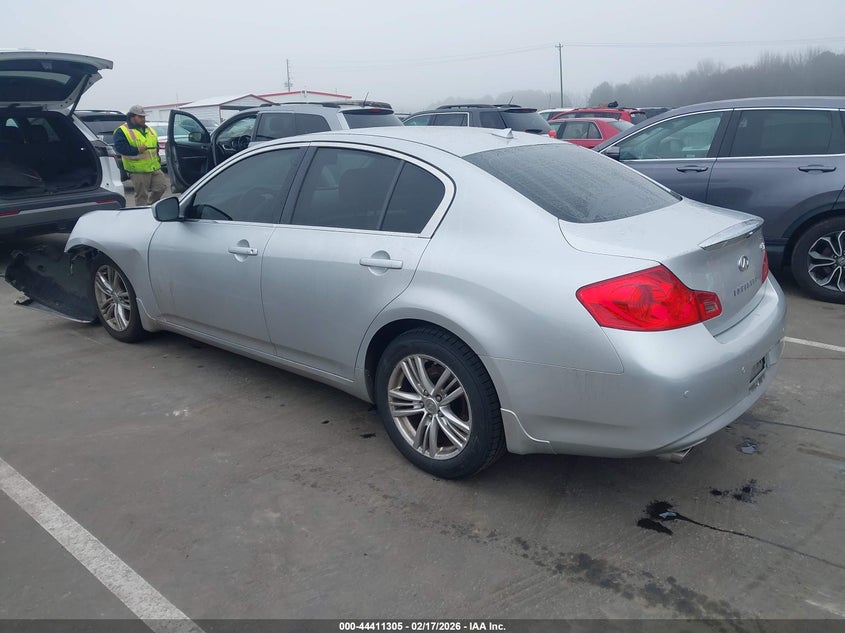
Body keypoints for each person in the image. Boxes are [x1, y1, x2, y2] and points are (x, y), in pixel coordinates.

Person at [113, 105, 168, 205]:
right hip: (137, 170)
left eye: (144, 117)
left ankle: (151, 205)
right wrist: (137, 150)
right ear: (132, 117)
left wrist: (158, 160)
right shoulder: (122, 131)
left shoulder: (149, 130)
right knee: (142, 195)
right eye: (140, 117)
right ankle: (142, 212)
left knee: (161, 187)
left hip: (154, 167)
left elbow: (156, 147)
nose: (143, 119)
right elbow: (120, 148)